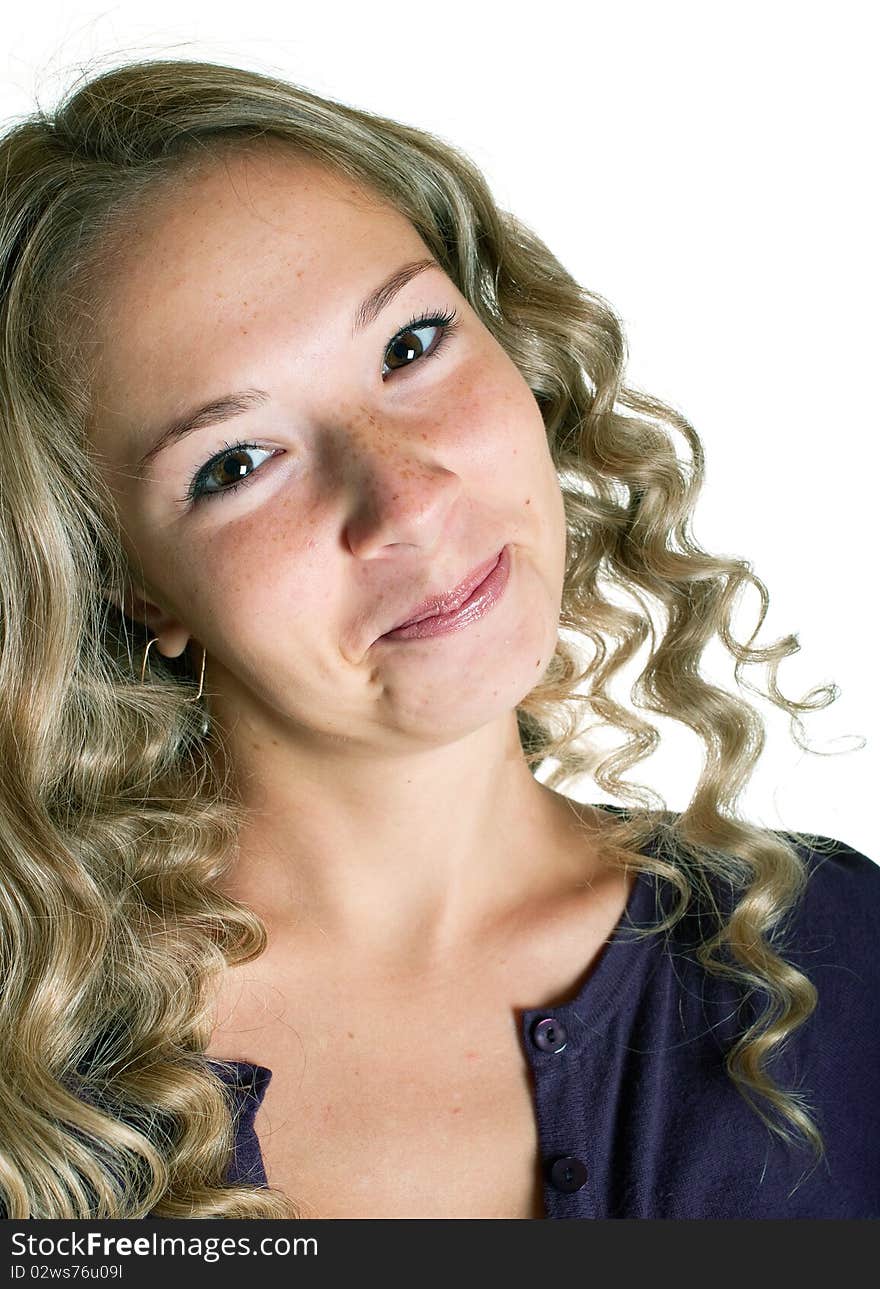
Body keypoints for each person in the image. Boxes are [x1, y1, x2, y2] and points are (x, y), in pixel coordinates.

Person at [0, 57, 876, 1222]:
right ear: (121, 580)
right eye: (234, 464)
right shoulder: (34, 1079)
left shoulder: (838, 954)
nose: (406, 497)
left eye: (410, 345)